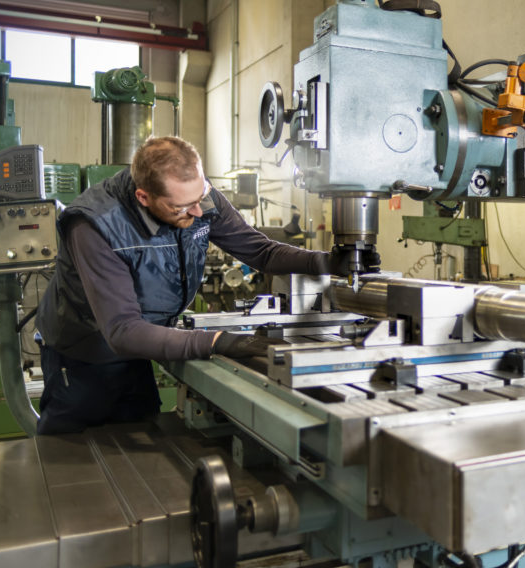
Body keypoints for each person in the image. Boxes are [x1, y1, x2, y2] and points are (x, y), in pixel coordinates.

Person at [34, 136, 331, 434]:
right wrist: (217, 342)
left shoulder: (199, 197)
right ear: (143, 197)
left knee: (141, 428)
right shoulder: (95, 226)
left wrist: (325, 262)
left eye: (199, 197)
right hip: (83, 355)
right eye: (182, 207)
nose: (199, 212)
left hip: (141, 346)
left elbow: (261, 252)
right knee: (74, 456)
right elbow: (122, 331)